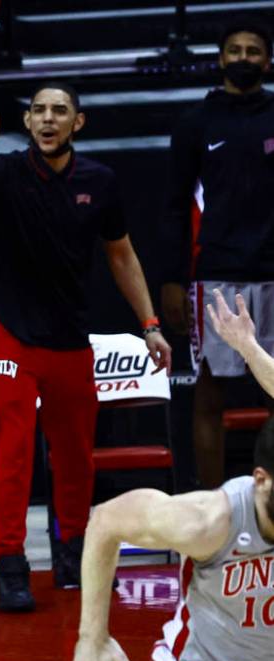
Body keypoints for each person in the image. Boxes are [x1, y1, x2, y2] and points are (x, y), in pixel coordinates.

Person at [0, 82, 173, 612]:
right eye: (39, 111)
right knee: (14, 453)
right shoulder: (1, 172)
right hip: (12, 337)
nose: (47, 119)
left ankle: (73, 556)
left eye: (59, 111)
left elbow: (122, 256)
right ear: (27, 121)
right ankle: (11, 564)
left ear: (78, 123)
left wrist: (151, 322)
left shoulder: (100, 181)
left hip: (71, 338)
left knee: (74, 459)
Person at [65, 291, 274, 661]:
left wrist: (248, 348)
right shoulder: (212, 519)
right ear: (263, 480)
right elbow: (106, 520)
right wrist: (92, 637)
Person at [162, 16, 274, 491]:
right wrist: (171, 280)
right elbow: (172, 206)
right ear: (220, 58)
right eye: (235, 50)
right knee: (208, 396)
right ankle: (213, 507)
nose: (244, 58)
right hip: (216, 277)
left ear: (267, 60)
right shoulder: (196, 123)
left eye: (253, 50)